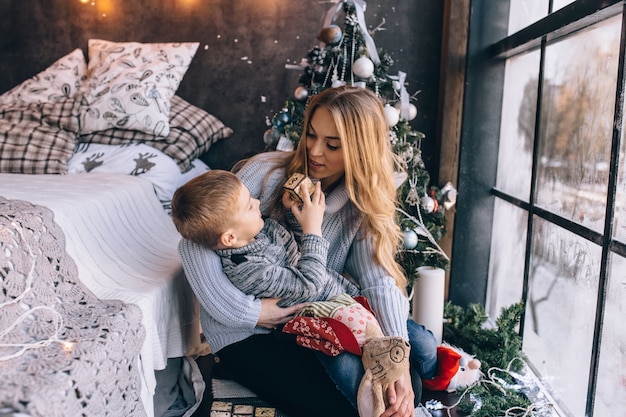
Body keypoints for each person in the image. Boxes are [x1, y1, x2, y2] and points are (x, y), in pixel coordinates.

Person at [177, 86, 437, 417]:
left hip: (314, 322)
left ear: (360, 151)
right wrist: (252, 313)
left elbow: (378, 280)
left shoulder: (359, 205)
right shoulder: (265, 172)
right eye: (311, 135)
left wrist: (396, 356)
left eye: (332, 144)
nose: (314, 151)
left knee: (407, 371)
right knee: (352, 393)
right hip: (246, 335)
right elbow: (193, 244)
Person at [171, 169, 360, 305]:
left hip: (342, 293)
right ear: (229, 238)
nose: (258, 202)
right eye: (249, 206)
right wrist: (313, 229)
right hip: (330, 316)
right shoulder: (248, 270)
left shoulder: (260, 231)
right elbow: (310, 284)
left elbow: (296, 251)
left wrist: (296, 214)